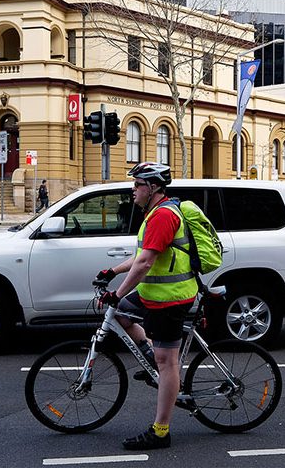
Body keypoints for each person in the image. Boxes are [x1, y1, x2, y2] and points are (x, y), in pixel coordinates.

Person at [94, 162, 197, 450]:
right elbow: (141, 255)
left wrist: (118, 291)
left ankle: (161, 431)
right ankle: (152, 357)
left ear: (153, 188)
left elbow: (145, 262)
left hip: (170, 297)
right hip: (153, 291)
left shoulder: (163, 216)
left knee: (168, 362)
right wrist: (112, 271)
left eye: (138, 185)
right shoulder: (153, 214)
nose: (133, 190)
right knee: (122, 315)